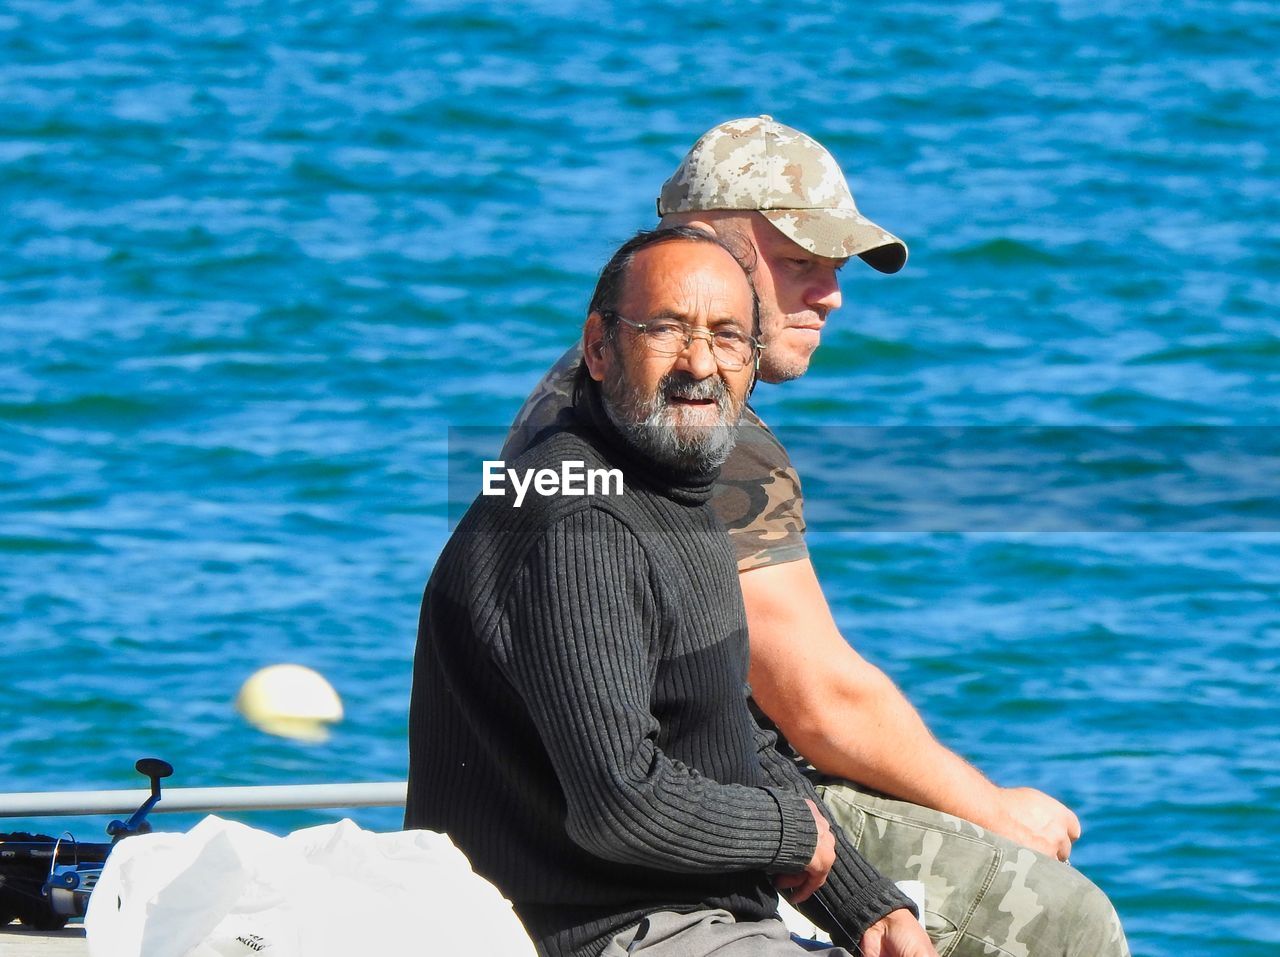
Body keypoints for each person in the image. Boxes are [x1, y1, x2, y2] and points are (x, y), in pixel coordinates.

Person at [502, 117, 1129, 956]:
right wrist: (997, 812)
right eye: (800, 262)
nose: (830, 294)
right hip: (690, 813)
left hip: (604, 791)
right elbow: (815, 700)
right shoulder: (709, 444)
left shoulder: (574, 393)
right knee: (1064, 915)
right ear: (705, 248)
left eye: (836, 268)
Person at [406, 226, 937, 957]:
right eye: (666, 330)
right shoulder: (577, 521)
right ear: (598, 347)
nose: (699, 363)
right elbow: (619, 802)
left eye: (726, 338)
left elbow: (730, 737)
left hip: (697, 914)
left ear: (753, 363)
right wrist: (786, 832)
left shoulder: (673, 491)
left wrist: (868, 908)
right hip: (598, 929)